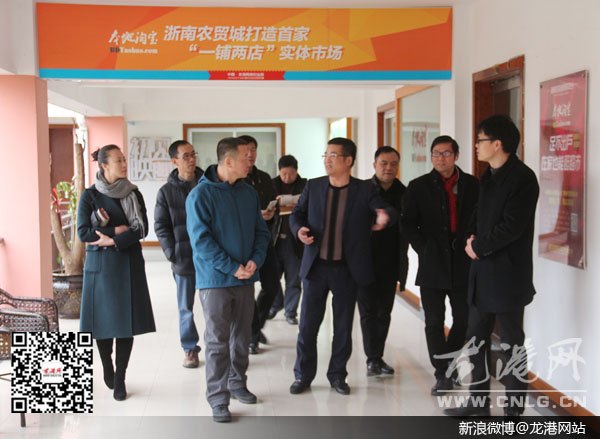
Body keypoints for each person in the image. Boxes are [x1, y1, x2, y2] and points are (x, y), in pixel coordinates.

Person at [444, 115, 539, 418]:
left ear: (497, 144)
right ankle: (477, 402)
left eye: (480, 140)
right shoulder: (488, 175)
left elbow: (512, 226)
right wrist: (470, 239)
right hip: (482, 272)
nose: (476, 145)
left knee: (512, 345)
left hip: (508, 274)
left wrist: (479, 246)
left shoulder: (523, 179)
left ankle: (513, 411)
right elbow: (478, 215)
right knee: (476, 339)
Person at [289, 137, 396, 396]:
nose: (327, 160)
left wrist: (384, 215)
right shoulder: (313, 186)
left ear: (348, 161)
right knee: (307, 327)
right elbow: (297, 213)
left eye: (333, 155)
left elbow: (384, 208)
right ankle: (303, 375)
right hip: (316, 269)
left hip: (346, 270)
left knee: (343, 328)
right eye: (326, 155)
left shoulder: (364, 189)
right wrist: (299, 229)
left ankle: (337, 375)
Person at [186, 137, 270, 423]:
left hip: (245, 278)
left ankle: (237, 383)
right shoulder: (200, 195)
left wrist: (256, 260)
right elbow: (202, 242)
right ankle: (218, 398)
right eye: (246, 156)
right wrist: (232, 267)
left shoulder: (249, 193)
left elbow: (261, 232)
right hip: (215, 280)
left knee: (242, 338)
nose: (251, 161)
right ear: (229, 160)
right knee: (217, 341)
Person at [77, 144, 156, 401]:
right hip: (100, 267)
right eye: (118, 160)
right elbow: (83, 232)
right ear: (104, 166)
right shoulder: (90, 195)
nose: (124, 164)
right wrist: (117, 231)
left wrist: (113, 240)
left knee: (125, 324)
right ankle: (107, 366)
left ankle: (120, 376)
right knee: (102, 323)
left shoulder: (133, 193)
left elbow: (142, 228)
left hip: (128, 263)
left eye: (124, 160)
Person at [401, 135, 479, 395]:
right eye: (436, 153)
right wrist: (423, 249)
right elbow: (407, 223)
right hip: (433, 263)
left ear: (456, 155)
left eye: (446, 153)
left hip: (463, 262)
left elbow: (480, 218)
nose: (440, 158)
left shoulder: (473, 185)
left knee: (463, 320)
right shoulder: (418, 186)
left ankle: (450, 363)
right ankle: (442, 373)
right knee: (434, 321)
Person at [357, 146, 409, 377]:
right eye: (384, 163)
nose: (389, 168)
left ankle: (376, 356)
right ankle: (373, 358)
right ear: (374, 165)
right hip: (365, 261)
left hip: (391, 262)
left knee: (384, 312)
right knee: (368, 311)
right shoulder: (363, 191)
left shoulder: (405, 193)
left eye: (393, 164)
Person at [155, 140, 204, 368]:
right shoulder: (166, 192)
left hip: (208, 258)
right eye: (186, 156)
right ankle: (190, 348)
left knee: (216, 308)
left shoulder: (208, 185)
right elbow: (161, 226)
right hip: (183, 259)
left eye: (193, 154)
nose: (191, 159)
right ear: (174, 161)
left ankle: (219, 348)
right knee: (186, 309)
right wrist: (171, 253)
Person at [238, 134, 280, 354]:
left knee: (272, 286)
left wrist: (271, 214)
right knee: (246, 290)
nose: (250, 154)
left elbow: (275, 207)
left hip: (264, 241)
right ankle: (252, 334)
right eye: (245, 151)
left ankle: (255, 327)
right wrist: (255, 216)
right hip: (243, 244)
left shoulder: (264, 178)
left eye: (253, 149)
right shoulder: (234, 179)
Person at [268, 155, 307, 325]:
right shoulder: (272, 184)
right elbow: (270, 205)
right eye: (284, 173)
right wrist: (292, 202)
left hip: (294, 242)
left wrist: (284, 201)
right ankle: (275, 304)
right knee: (272, 278)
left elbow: (304, 202)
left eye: (290, 173)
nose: (287, 177)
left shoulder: (305, 185)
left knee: (294, 280)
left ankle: (290, 312)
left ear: (296, 171)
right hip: (275, 240)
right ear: (279, 171)